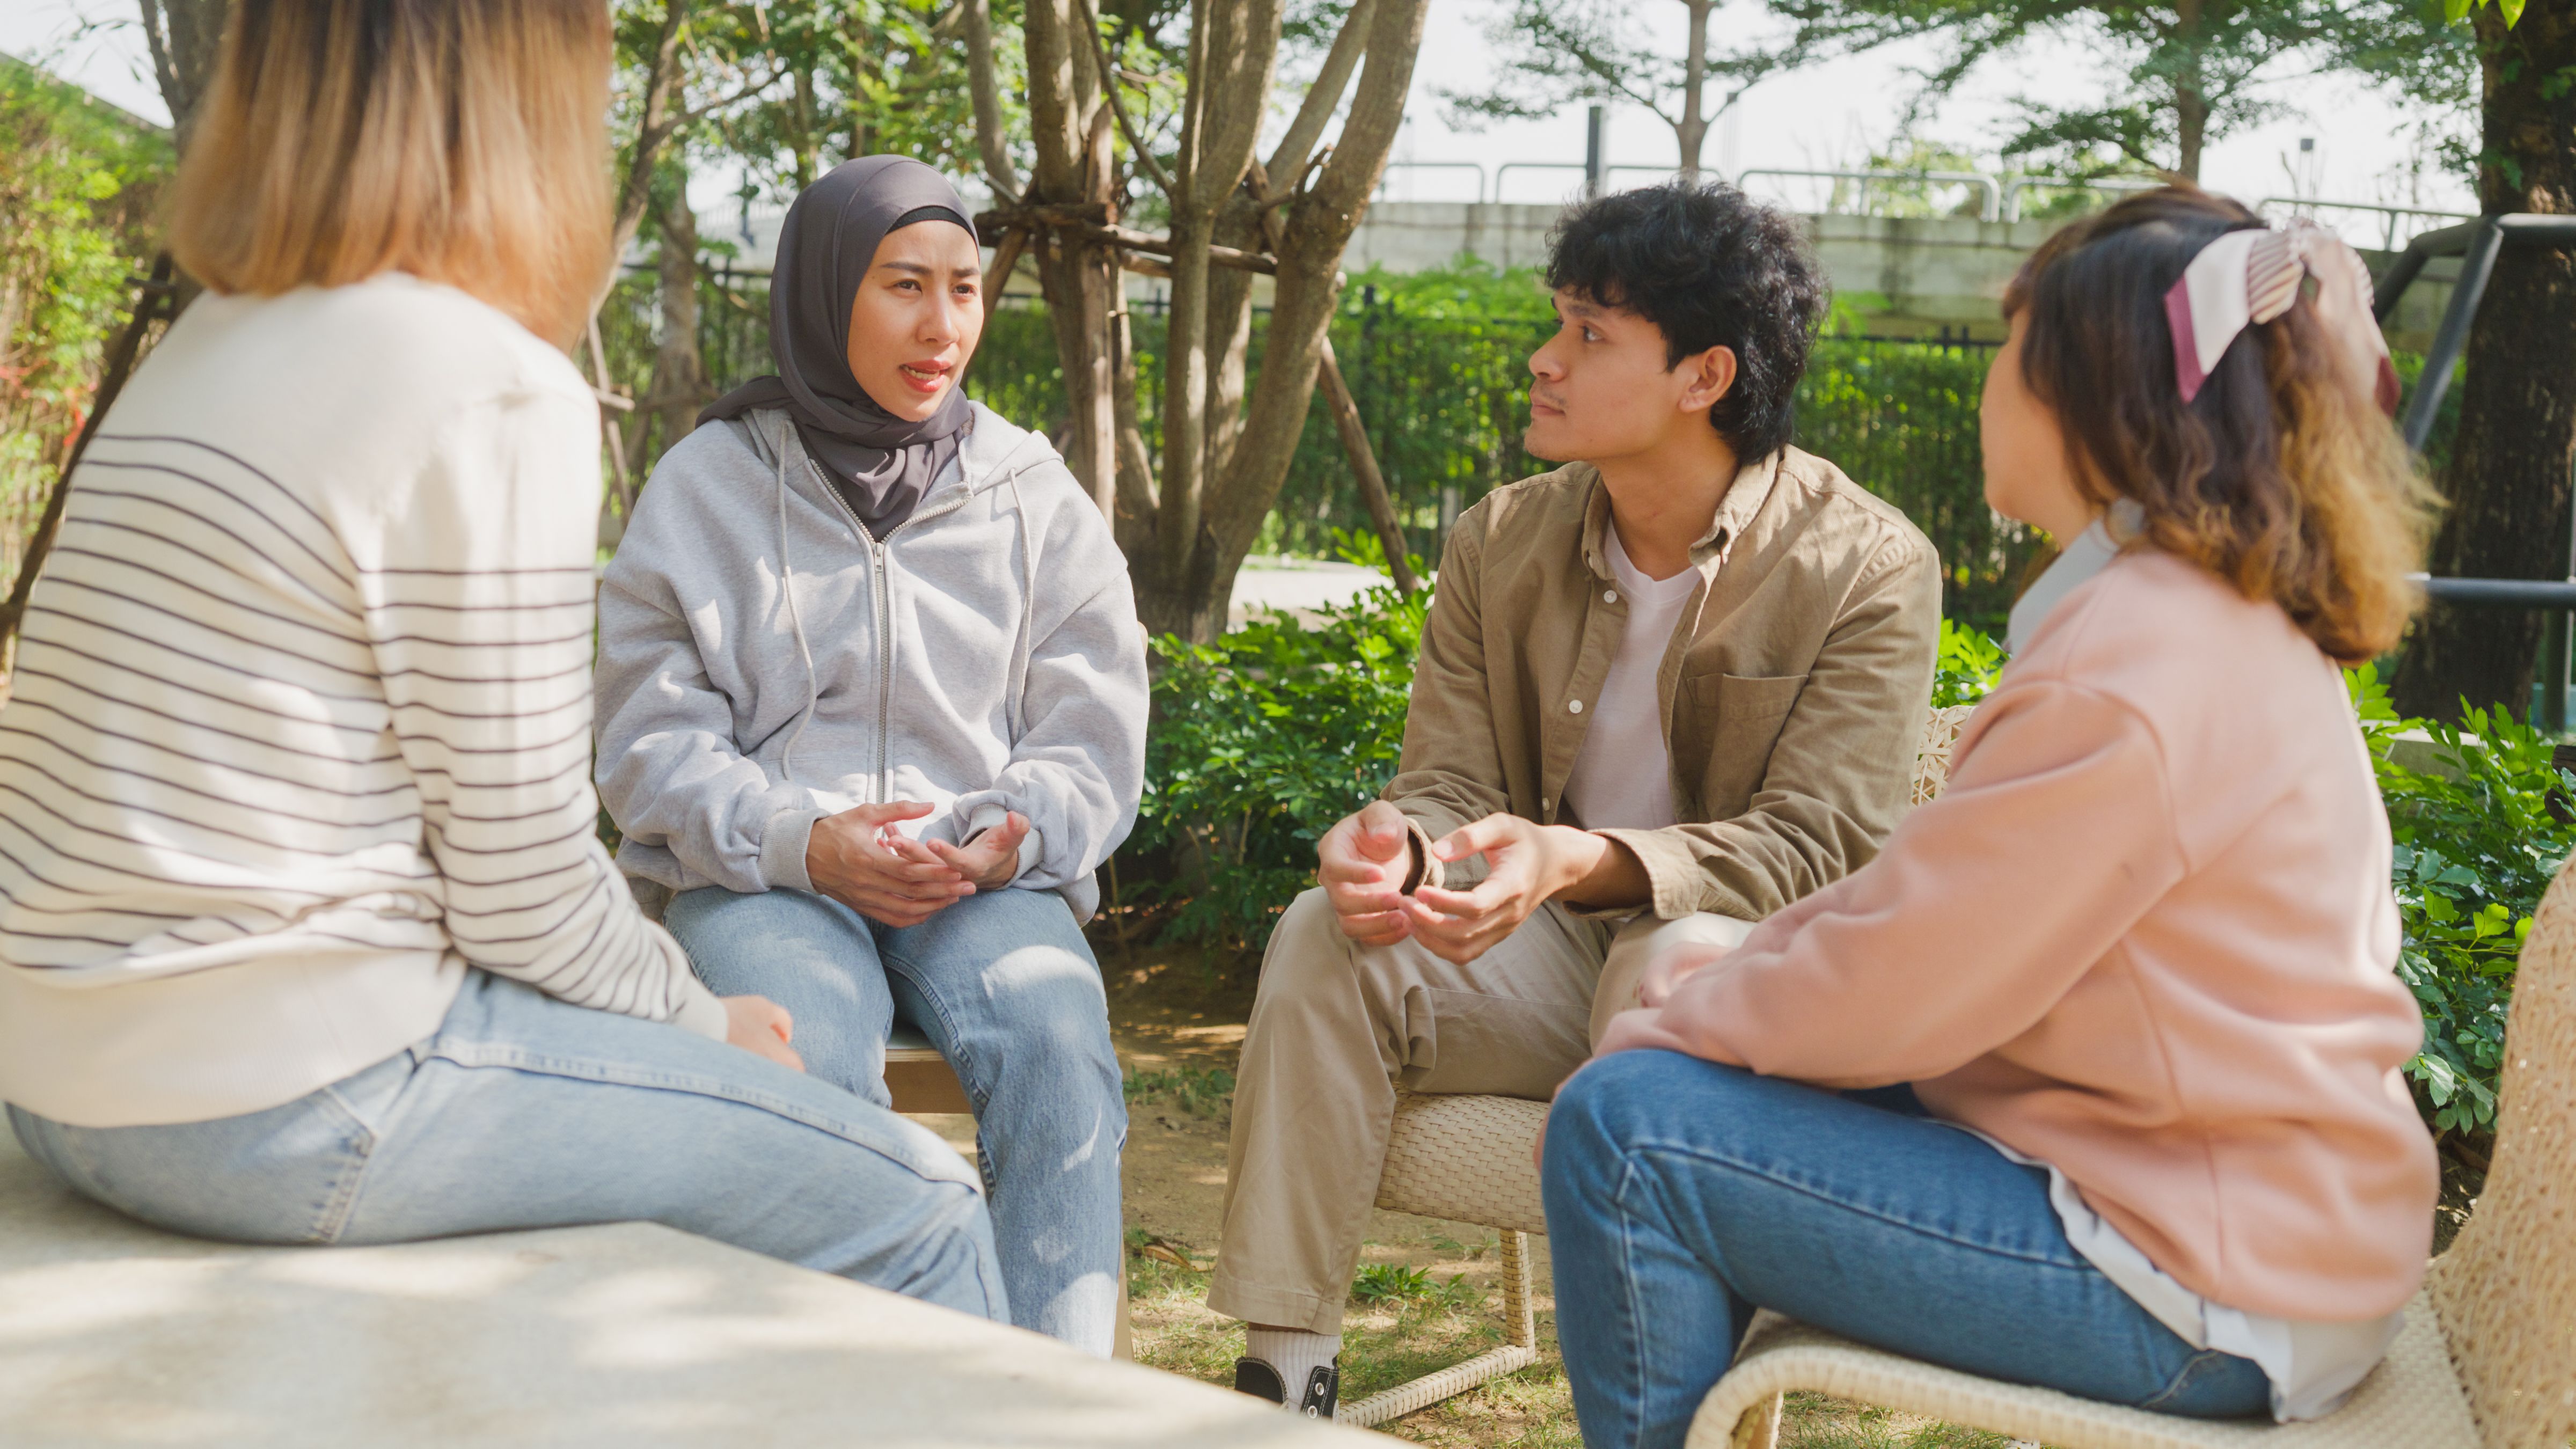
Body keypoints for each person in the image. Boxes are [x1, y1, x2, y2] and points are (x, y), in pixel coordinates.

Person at [0, 0, 1006, 1320]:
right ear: (533, 90)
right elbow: (519, 884)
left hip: (54, 1072)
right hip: (277, 1091)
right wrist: (703, 1025)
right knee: (920, 1204)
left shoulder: (203, 346)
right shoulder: (485, 383)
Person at [1542, 186, 2441, 1447]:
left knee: (1625, 1131)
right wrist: (1736, 966)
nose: (1990, 379)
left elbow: (1910, 983)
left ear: (2090, 394)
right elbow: (1931, 904)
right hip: (2236, 1223)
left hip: (2202, 1279)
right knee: (1686, 1048)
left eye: (2014, 341)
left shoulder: (2138, 659)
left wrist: (1690, 1014)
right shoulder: (2193, 615)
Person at [1211, 180, 1943, 1413]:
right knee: (1329, 932)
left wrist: (1582, 861)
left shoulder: (1866, 566)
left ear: (1704, 377)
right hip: (1536, 957)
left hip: (1728, 977)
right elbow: (1449, 783)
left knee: (1664, 958)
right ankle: (1284, 1395)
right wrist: (1399, 847)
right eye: (1558, 322)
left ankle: (1664, 1413)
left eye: (1590, 334)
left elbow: (1820, 848)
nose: (1544, 359)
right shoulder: (1498, 539)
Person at [593, 157, 1148, 1356]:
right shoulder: (707, 486)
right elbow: (647, 742)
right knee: (800, 1052)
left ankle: (1054, 1409)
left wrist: (1014, 834)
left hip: (976, 881)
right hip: (765, 878)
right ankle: (843, 1400)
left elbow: (1094, 728)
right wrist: (803, 842)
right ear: (825, 289)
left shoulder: (1032, 492)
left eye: (964, 287)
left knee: (1059, 1048)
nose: (944, 325)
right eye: (905, 285)